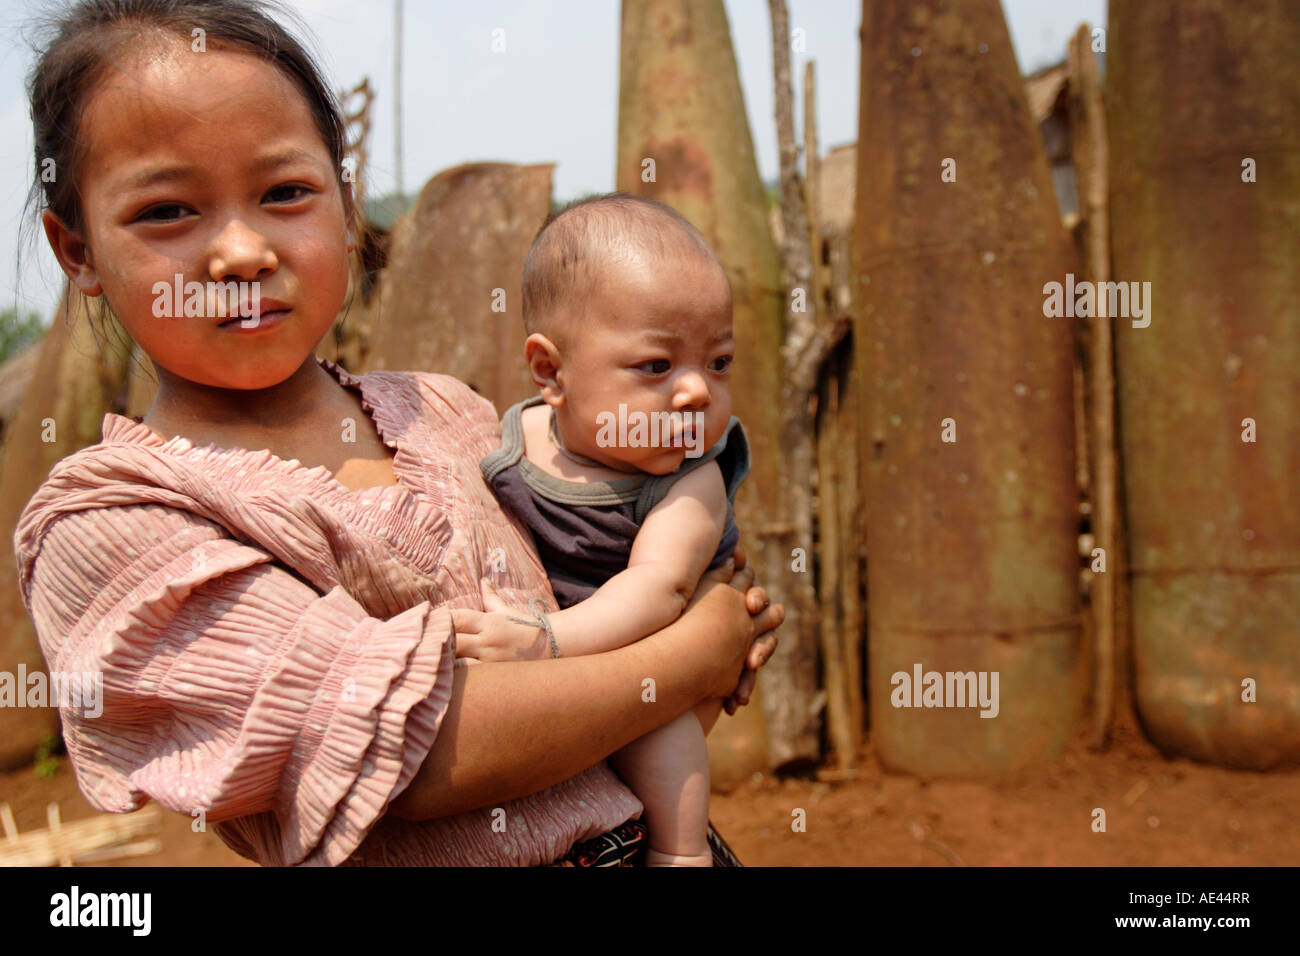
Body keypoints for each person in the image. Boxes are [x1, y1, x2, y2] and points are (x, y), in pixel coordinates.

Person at [12, 0, 782, 867]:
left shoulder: (447, 413)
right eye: (166, 212)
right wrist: (696, 650)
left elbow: (619, 655)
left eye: (285, 193)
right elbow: (420, 755)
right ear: (75, 250)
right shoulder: (109, 521)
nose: (239, 254)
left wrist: (698, 635)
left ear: (345, 205)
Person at [454, 194, 748, 866]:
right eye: (657, 366)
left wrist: (548, 642)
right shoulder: (509, 437)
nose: (698, 392)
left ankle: (682, 852)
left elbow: (661, 588)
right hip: (553, 673)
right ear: (551, 373)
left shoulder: (688, 478)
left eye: (720, 362)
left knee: (658, 733)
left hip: (650, 653)